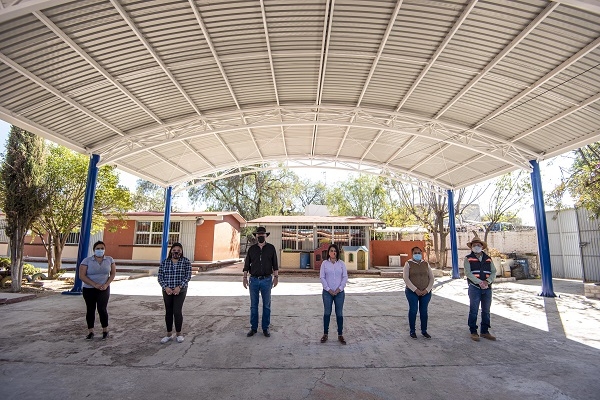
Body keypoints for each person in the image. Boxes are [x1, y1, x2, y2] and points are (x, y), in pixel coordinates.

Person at [243, 226, 279, 337]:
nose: (261, 236)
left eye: (263, 234)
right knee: (254, 306)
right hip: (253, 280)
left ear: (265, 236)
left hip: (267, 280)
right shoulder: (252, 249)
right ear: (256, 236)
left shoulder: (271, 248)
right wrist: (244, 278)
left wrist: (276, 277)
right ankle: (253, 328)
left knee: (266, 305)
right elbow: (246, 264)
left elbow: (275, 264)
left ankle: (265, 328)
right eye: (259, 235)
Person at [79, 240, 116, 340]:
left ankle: (105, 330)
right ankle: (90, 331)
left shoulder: (109, 260)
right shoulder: (86, 261)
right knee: (90, 309)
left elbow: (112, 274)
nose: (100, 250)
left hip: (104, 288)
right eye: (98, 249)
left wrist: (106, 284)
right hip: (89, 289)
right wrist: (94, 284)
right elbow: (82, 275)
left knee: (102, 309)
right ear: (94, 250)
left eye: (102, 248)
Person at [157, 242, 192, 344]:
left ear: (181, 252)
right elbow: (160, 276)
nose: (176, 252)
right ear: (171, 251)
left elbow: (188, 276)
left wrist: (179, 287)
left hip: (180, 290)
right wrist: (165, 287)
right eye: (174, 250)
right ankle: (168, 334)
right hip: (167, 290)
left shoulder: (185, 262)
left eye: (178, 250)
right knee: (168, 311)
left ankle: (179, 333)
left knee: (177, 311)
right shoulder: (165, 262)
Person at [464, 237, 497, 341]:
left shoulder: (488, 258)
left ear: (482, 246)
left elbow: (494, 271)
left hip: (487, 288)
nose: (476, 247)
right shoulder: (468, 258)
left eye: (478, 245)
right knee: (474, 310)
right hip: (474, 287)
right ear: (471, 247)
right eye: (474, 245)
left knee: (486, 310)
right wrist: (479, 282)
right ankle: (473, 331)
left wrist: (488, 281)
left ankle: (485, 331)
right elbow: (468, 273)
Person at [319, 243, 348, 345]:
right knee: (327, 312)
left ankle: (340, 334)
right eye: (331, 251)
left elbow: (345, 277)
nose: (333, 253)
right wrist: (328, 289)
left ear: (337, 253)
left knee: (339, 313)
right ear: (328, 252)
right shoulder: (324, 264)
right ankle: (325, 334)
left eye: (335, 251)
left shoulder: (341, 264)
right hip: (327, 293)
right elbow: (322, 277)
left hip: (339, 293)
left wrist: (340, 289)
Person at [403, 246, 434, 339]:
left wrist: (427, 289)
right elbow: (406, 278)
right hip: (412, 292)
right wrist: (415, 289)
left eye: (419, 253)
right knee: (413, 310)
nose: (417, 254)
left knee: (424, 311)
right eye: (415, 253)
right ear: (412, 254)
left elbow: (431, 278)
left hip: (426, 292)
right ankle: (412, 331)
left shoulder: (426, 264)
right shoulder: (408, 264)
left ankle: (424, 331)